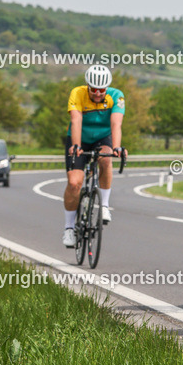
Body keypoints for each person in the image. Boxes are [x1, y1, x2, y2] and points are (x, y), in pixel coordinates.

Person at [61, 64, 127, 247]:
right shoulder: (78, 93)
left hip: (103, 138)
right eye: (94, 89)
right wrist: (75, 145)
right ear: (88, 86)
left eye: (102, 90)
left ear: (107, 88)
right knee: (74, 183)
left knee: (106, 158)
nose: (98, 93)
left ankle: (104, 206)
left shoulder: (116, 96)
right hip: (79, 137)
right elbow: (76, 120)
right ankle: (68, 228)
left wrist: (117, 147)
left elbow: (116, 125)